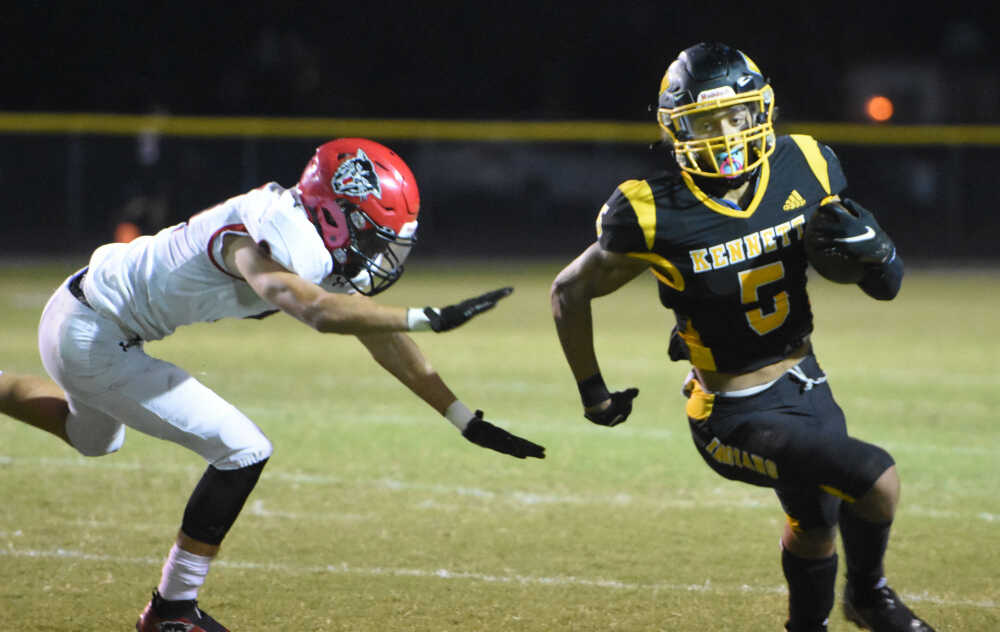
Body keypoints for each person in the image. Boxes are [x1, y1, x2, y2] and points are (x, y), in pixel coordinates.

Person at [1, 137, 545, 632]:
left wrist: (460, 417)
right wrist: (425, 316)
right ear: (335, 213)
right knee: (243, 449)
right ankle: (173, 612)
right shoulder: (274, 230)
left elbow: (372, 332)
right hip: (94, 334)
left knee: (92, 438)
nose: (379, 255)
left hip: (77, 313)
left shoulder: (306, 226)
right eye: (373, 236)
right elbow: (315, 311)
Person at [550, 42, 934, 632]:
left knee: (815, 521)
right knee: (874, 477)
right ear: (676, 129)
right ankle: (869, 595)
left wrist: (879, 255)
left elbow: (886, 286)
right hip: (730, 414)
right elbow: (568, 292)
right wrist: (592, 392)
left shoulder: (804, 163)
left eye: (736, 116)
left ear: (762, 111)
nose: (726, 134)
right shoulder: (652, 210)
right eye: (706, 122)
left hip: (809, 386)